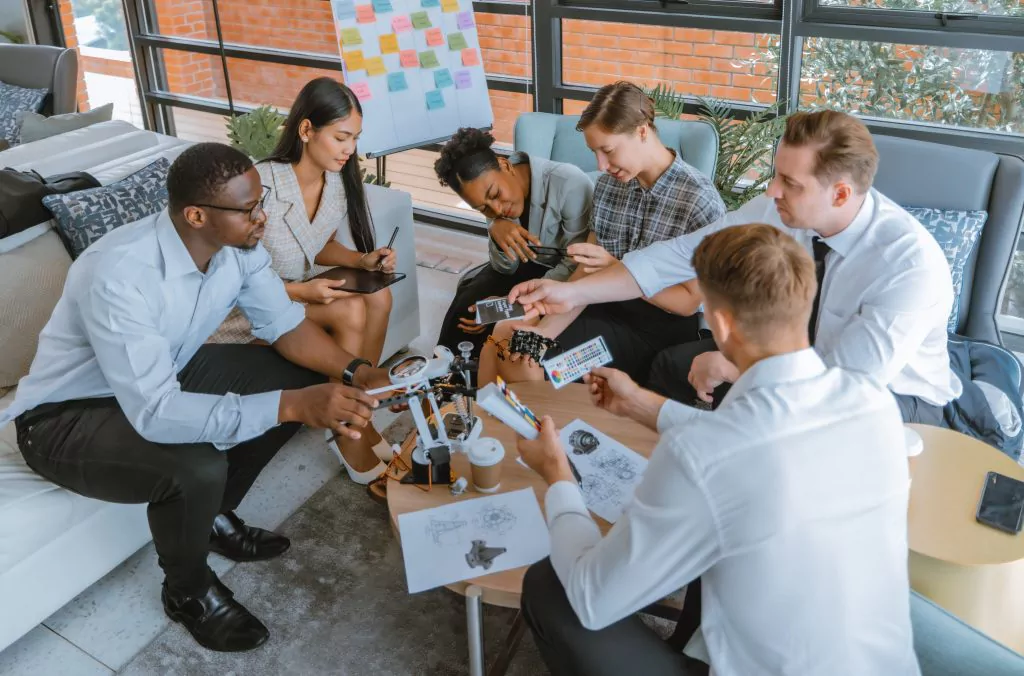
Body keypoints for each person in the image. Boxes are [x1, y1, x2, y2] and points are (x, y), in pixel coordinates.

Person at [0, 143, 395, 653]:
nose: (262, 217)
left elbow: (285, 326)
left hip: (163, 374)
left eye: (261, 202)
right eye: (249, 209)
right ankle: (187, 591)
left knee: (296, 377)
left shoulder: (241, 250)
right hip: (67, 416)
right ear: (196, 215)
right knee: (198, 466)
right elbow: (157, 412)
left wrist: (357, 370)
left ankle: (211, 517)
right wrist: (293, 407)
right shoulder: (119, 274)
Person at [517, 224, 920, 676]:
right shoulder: (872, 401)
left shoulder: (702, 454)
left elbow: (593, 601)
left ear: (721, 322)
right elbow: (764, 442)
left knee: (550, 584)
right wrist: (641, 404)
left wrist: (558, 477)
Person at [509, 110, 968, 427]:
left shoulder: (908, 265)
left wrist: (738, 367)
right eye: (775, 174)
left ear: (841, 194)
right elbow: (680, 254)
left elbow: (845, 388)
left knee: (765, 417)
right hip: (802, 363)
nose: (771, 191)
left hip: (895, 400)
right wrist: (574, 293)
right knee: (673, 368)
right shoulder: (782, 209)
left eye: (789, 182)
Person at [478, 81, 726, 386]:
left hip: (656, 332)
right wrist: (544, 332)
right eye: (594, 152)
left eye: (607, 150)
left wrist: (614, 266)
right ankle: (484, 429)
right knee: (505, 337)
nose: (601, 165)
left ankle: (546, 430)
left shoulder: (698, 201)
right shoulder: (610, 187)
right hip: (602, 307)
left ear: (642, 131)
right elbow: (585, 274)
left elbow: (687, 303)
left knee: (528, 362)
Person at [210, 77, 397, 473]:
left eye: (355, 139)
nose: (349, 150)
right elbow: (229, 276)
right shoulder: (261, 186)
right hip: (245, 309)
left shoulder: (336, 183)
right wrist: (301, 291)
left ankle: (359, 405)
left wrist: (362, 261)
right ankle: (349, 431)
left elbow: (319, 244)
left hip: (297, 289)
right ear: (307, 130)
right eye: (341, 137)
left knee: (380, 295)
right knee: (348, 313)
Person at [433, 127, 594, 357]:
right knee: (469, 308)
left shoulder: (570, 184)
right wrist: (497, 228)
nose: (496, 209)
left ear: (505, 165)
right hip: (525, 270)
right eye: (483, 208)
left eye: (495, 194)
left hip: (566, 276)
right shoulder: (496, 211)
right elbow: (502, 267)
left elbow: (575, 266)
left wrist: (514, 303)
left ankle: (487, 378)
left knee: (499, 319)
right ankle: (444, 378)